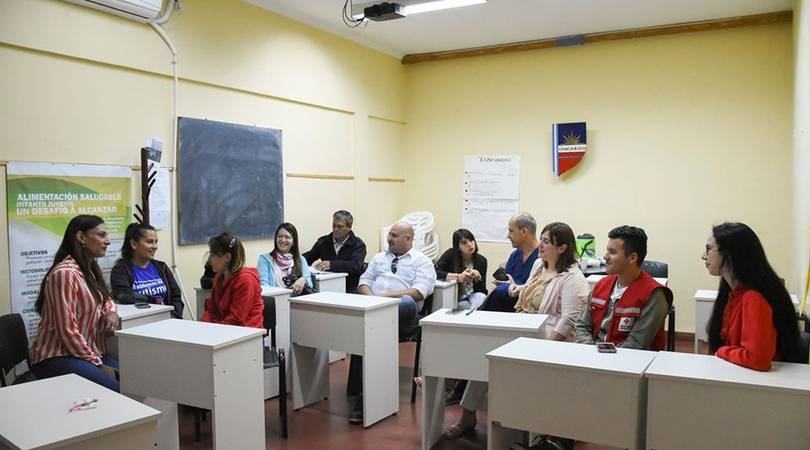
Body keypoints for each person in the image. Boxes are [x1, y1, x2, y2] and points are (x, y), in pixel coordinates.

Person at [443, 222, 589, 445]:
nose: (540, 245)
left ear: (562, 248)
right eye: (541, 240)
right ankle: (467, 413)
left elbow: (569, 320)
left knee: (496, 359)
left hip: (550, 340)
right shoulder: (540, 264)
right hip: (524, 329)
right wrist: (517, 289)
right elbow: (531, 288)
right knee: (486, 356)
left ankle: (500, 420)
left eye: (546, 242)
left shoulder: (573, 278)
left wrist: (546, 347)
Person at [347, 221, 437, 424]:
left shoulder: (422, 261)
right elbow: (364, 281)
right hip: (374, 310)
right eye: (390, 234)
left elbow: (419, 292)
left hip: (403, 316)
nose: (389, 239)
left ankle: (364, 393)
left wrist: (384, 298)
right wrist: (372, 299)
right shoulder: (379, 257)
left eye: (394, 235)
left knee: (406, 302)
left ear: (408, 238)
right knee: (366, 331)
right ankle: (362, 393)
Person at [29, 215, 120, 392]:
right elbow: (67, 330)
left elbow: (107, 299)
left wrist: (111, 312)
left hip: (84, 353)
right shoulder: (65, 274)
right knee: (116, 390)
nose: (107, 241)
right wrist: (98, 364)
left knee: (133, 379)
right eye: (101, 235)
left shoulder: (89, 269)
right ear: (81, 237)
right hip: (56, 356)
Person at [702, 222, 800, 370]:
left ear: (730, 254)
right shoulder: (732, 293)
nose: (704, 256)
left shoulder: (753, 298)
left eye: (709, 249)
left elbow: (757, 359)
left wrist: (721, 352)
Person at [575, 225, 672, 350]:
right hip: (594, 355)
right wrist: (589, 349)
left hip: (630, 360)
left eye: (612, 252)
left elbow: (636, 344)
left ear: (632, 258)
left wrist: (601, 355)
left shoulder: (654, 295)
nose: (605, 257)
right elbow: (582, 325)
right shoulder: (601, 285)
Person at [110, 223, 184, 318]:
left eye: (156, 242)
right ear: (134, 244)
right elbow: (124, 296)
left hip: (167, 319)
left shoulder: (162, 267)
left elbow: (176, 297)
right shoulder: (121, 270)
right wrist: (154, 300)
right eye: (149, 242)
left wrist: (173, 316)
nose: (155, 247)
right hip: (138, 320)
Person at [479, 212, 539, 312]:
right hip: (508, 306)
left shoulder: (543, 257)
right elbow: (508, 280)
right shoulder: (515, 256)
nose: (508, 235)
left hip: (527, 307)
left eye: (511, 231)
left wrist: (515, 287)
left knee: (502, 290)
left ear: (524, 231)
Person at [202, 232, 263, 328]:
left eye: (213, 255)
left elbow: (236, 319)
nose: (210, 260)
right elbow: (210, 309)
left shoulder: (246, 281)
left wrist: (212, 330)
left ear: (227, 257)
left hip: (245, 333)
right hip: (223, 329)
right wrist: (203, 326)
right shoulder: (219, 277)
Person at [303, 210, 367, 293]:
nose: (335, 229)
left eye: (340, 226)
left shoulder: (357, 245)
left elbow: (356, 265)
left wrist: (331, 264)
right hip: (326, 285)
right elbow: (309, 257)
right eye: (334, 225)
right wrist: (296, 260)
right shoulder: (324, 242)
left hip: (350, 287)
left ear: (349, 227)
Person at [434, 228, 488, 310]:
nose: (470, 244)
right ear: (458, 247)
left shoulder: (481, 260)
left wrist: (478, 277)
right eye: (464, 243)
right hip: (457, 296)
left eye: (471, 240)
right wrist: (457, 277)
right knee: (465, 308)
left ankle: (474, 313)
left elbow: (482, 290)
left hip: (474, 294)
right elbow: (435, 272)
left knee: (481, 298)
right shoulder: (450, 254)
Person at [258, 222, 313, 296]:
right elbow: (264, 287)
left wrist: (303, 280)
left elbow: (310, 285)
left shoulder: (301, 260)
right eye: (280, 236)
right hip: (275, 300)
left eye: (287, 237)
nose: (283, 240)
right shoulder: (264, 259)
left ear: (293, 241)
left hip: (296, 301)